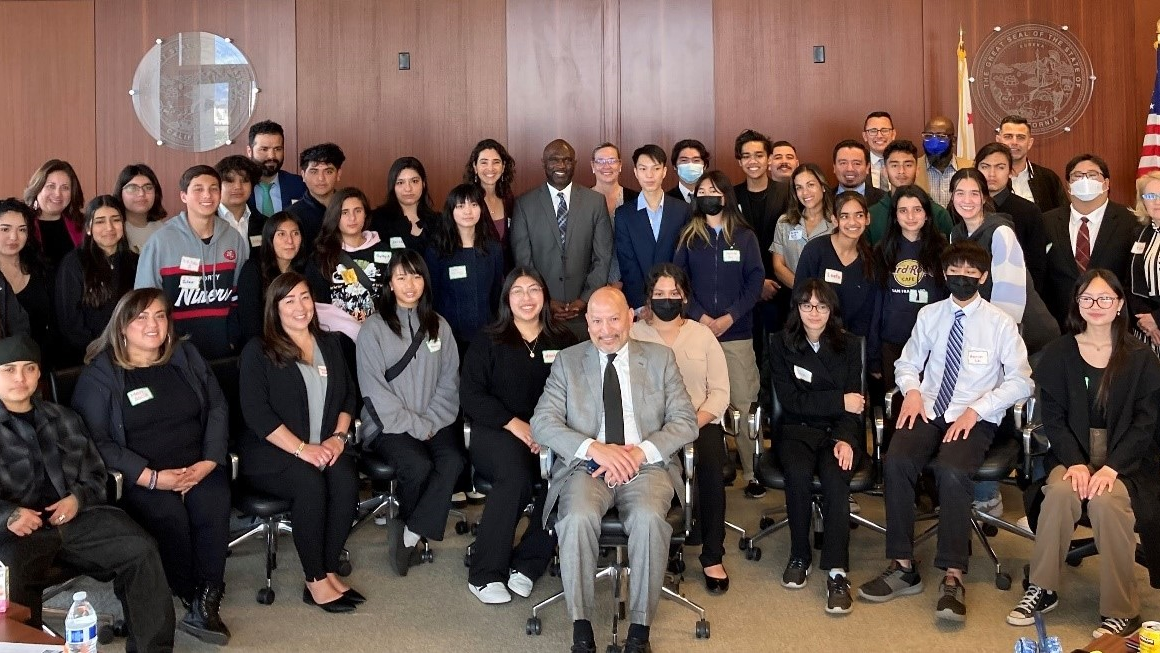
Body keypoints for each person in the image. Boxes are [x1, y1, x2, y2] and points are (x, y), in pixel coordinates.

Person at [857, 241, 1032, 623]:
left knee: (952, 471)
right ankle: (903, 565)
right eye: (956, 271)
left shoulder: (1000, 323)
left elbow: (1022, 381)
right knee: (898, 461)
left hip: (975, 415)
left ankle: (953, 577)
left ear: (984, 277)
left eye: (972, 272)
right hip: (931, 407)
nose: (963, 278)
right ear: (944, 274)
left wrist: (978, 408)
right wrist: (913, 392)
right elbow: (907, 362)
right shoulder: (930, 315)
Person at [531, 286, 697, 653]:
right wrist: (596, 449)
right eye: (597, 320)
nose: (606, 329)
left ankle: (640, 630)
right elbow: (542, 422)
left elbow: (686, 422)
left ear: (631, 318)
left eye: (614, 318)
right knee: (575, 518)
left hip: (647, 466)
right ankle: (581, 626)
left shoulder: (660, 358)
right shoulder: (568, 361)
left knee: (650, 520)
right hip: (587, 466)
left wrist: (638, 454)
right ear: (586, 322)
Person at [72, 289, 232, 644]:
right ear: (122, 326)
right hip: (139, 477)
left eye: (160, 316)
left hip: (197, 466)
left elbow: (218, 407)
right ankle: (184, 593)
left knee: (213, 502)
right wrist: (151, 477)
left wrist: (208, 461)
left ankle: (206, 599)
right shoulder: (102, 374)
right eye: (141, 317)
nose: (153, 325)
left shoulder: (185, 355)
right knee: (169, 516)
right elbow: (96, 440)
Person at [1008, 269, 1160, 638]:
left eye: (1105, 298)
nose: (1096, 306)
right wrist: (1076, 462)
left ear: (1120, 304)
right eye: (1087, 298)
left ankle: (1122, 610)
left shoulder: (1141, 358)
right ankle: (1042, 588)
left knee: (1108, 503)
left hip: (1127, 461)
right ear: (1077, 303)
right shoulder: (1060, 352)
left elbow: (1146, 423)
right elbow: (1054, 419)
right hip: (1072, 453)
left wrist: (1111, 468)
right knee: (1060, 492)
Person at [0, 335, 175, 652]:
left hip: (76, 519)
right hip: (17, 532)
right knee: (12, 579)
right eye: (8, 370)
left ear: (39, 374)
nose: (20, 378)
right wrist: (8, 515)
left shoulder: (63, 418)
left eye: (28, 369)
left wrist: (76, 498)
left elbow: (96, 474)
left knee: (141, 548)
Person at [238, 272, 363, 613]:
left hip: (324, 445)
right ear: (274, 308)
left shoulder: (331, 343)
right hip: (271, 452)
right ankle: (314, 579)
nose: (299, 306)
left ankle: (327, 567)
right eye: (289, 300)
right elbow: (256, 414)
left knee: (346, 479)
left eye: (305, 297)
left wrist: (338, 439)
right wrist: (302, 449)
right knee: (310, 484)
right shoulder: (259, 351)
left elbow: (349, 396)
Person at [460, 267, 578, 604]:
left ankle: (528, 563)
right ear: (506, 299)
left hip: (552, 434)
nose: (526, 299)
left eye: (533, 290)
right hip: (496, 431)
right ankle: (484, 573)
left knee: (566, 477)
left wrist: (551, 432)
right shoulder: (489, 339)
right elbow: (471, 395)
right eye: (518, 291)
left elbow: (578, 393)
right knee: (517, 475)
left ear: (544, 295)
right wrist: (517, 425)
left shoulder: (564, 340)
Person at [356, 250, 465, 577]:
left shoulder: (439, 326)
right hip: (388, 425)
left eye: (416, 275)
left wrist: (430, 421)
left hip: (435, 420)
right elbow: (373, 390)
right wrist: (416, 425)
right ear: (389, 283)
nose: (409, 284)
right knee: (418, 465)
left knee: (453, 460)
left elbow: (450, 380)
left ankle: (409, 532)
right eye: (401, 276)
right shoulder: (373, 328)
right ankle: (410, 527)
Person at [630, 264, 730, 594]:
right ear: (648, 297)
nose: (667, 299)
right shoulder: (633, 334)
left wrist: (691, 423)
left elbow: (720, 391)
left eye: (674, 293)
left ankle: (712, 555)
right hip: (650, 429)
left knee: (711, 471)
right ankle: (668, 547)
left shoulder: (702, 335)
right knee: (656, 475)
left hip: (700, 423)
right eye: (659, 294)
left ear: (684, 296)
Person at [765, 279, 865, 614]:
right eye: (806, 305)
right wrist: (839, 400)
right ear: (796, 308)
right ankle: (799, 554)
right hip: (795, 430)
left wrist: (848, 439)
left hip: (838, 432)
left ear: (831, 310)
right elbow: (791, 402)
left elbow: (857, 406)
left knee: (837, 480)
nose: (814, 313)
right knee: (797, 474)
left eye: (821, 306)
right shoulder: (780, 343)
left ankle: (837, 571)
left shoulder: (850, 345)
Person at [674, 170, 764, 499]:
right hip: (696, 332)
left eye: (714, 190)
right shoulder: (688, 235)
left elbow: (755, 281)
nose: (709, 196)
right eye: (703, 191)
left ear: (726, 195)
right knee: (700, 402)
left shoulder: (744, 236)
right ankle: (709, 467)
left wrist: (730, 317)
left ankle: (753, 470)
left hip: (736, 333)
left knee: (741, 400)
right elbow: (678, 281)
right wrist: (699, 316)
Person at [134, 165, 250, 360]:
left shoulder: (233, 238)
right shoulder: (160, 241)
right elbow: (143, 302)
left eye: (214, 188)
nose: (207, 195)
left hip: (223, 352)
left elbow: (239, 296)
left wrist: (233, 337)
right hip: (175, 355)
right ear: (183, 196)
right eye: (198, 189)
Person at [510, 139, 612, 337]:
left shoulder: (595, 202)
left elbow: (603, 257)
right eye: (554, 160)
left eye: (567, 160)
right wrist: (545, 299)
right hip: (541, 314)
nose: (561, 166)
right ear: (543, 163)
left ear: (574, 163)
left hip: (585, 313)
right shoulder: (524, 204)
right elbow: (524, 261)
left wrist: (584, 299)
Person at [1042, 154, 1138, 329]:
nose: (1085, 180)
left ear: (1106, 183)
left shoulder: (1131, 221)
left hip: (1115, 325)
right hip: (1059, 326)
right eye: (1077, 176)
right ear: (1069, 186)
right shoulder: (1046, 222)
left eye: (1092, 175)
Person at [870, 186, 948, 388]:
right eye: (903, 210)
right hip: (892, 341)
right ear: (895, 216)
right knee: (895, 407)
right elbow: (876, 304)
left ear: (927, 215)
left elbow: (947, 300)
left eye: (917, 209)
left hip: (932, 344)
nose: (910, 216)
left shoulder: (942, 250)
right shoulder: (881, 250)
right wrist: (874, 354)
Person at [55, 195, 139, 363]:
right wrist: (98, 350)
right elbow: (69, 321)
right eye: (100, 221)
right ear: (88, 228)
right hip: (87, 356)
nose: (109, 227)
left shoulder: (135, 261)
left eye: (115, 220)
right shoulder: (73, 263)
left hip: (130, 352)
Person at [425, 183, 505, 353]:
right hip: (449, 336)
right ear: (451, 211)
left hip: (487, 335)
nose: (468, 211)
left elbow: (497, 293)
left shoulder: (493, 248)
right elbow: (433, 295)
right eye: (461, 206)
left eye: (474, 205)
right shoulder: (438, 251)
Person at [306, 187, 393, 343]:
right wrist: (355, 331)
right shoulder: (321, 256)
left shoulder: (385, 252)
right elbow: (318, 307)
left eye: (357, 211)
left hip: (380, 340)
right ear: (334, 216)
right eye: (345, 212)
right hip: (339, 342)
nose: (352, 218)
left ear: (365, 214)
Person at [733, 129, 790, 362]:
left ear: (768, 159)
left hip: (782, 287)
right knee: (749, 356)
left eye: (758, 155)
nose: (752, 161)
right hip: (744, 288)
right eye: (746, 156)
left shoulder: (787, 193)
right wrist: (756, 284)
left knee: (782, 352)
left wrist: (771, 280)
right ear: (739, 161)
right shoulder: (731, 196)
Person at [946, 168, 1027, 325]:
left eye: (974, 194)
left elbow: (1009, 293)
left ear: (984, 198)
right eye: (960, 193)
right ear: (952, 196)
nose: (967, 200)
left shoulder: (1001, 232)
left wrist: (996, 331)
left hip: (1015, 327)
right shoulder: (955, 234)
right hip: (979, 323)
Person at [615, 144, 691, 312]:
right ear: (635, 172)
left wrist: (674, 296)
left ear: (664, 171)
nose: (649, 175)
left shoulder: (682, 210)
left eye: (655, 168)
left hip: (675, 299)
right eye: (643, 169)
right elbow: (627, 265)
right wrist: (643, 304)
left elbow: (683, 258)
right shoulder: (624, 214)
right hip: (640, 304)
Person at [795, 192, 876, 340]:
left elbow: (867, 313)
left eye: (859, 215)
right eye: (844, 216)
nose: (853, 222)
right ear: (835, 220)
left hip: (852, 343)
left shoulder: (870, 260)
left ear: (867, 219)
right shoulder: (815, 250)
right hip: (814, 338)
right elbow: (799, 296)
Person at [975, 143, 1048, 296]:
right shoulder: (964, 207)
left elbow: (1037, 265)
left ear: (1010, 172)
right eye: (985, 166)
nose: (992, 174)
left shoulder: (1028, 211)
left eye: (1000, 167)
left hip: (1016, 295)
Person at [0, 199, 56, 367]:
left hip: (44, 364)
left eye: (22, 229)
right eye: (5, 229)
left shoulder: (42, 269)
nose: (13, 237)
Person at [236, 212, 306, 344]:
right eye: (281, 234)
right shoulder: (253, 270)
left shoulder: (306, 270)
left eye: (295, 233)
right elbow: (250, 326)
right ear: (269, 238)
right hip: (267, 349)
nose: (290, 241)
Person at [867, 140, 953, 244]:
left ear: (917, 170)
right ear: (884, 171)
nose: (901, 171)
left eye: (908, 165)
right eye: (894, 165)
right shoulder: (872, 215)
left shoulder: (938, 214)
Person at [771, 164, 836, 291]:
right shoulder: (785, 222)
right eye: (799, 188)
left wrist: (819, 296)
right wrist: (803, 292)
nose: (805, 192)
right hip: (794, 296)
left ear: (822, 186)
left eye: (810, 185)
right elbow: (778, 265)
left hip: (831, 298)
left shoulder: (836, 222)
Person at [996, 114, 1067, 212]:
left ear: (1029, 143)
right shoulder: (987, 178)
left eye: (1020, 137)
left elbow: (1062, 217)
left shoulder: (1048, 179)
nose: (1014, 142)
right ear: (998, 140)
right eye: (1008, 137)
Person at [22, 159, 84, 267]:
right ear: (37, 189)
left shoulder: (84, 225)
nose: (57, 194)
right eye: (51, 186)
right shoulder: (23, 224)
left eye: (65, 188)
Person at [371, 156, 439, 253]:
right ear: (392, 186)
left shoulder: (438, 222)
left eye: (414, 181)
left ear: (423, 184)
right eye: (400, 182)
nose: (408, 188)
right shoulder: (376, 220)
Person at [286, 143, 346, 248]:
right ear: (303, 176)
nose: (321, 178)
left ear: (338, 174)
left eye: (328, 171)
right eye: (314, 172)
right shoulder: (291, 216)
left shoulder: (350, 210)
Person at [246, 119, 308, 218]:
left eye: (277, 149)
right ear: (249, 151)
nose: (272, 156)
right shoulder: (238, 187)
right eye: (264, 149)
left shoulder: (300, 185)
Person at [464, 138, 517, 245]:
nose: (490, 168)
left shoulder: (508, 198)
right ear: (475, 167)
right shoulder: (466, 200)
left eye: (496, 162)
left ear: (503, 167)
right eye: (484, 162)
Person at [1129, 171, 1160, 349]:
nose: (1157, 201)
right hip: (1144, 329)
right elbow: (1131, 283)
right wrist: (1145, 320)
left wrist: (1156, 319)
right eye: (1151, 195)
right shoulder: (1140, 234)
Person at [113, 163, 167, 253]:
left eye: (148, 187)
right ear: (120, 193)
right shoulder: (113, 230)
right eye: (133, 188)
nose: (141, 193)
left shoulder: (164, 230)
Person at [215, 154, 264, 248]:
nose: (238, 187)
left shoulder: (264, 223)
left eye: (245, 181)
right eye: (230, 181)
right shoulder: (205, 221)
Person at [921, 116, 965, 208]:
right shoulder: (912, 168)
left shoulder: (970, 167)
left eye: (940, 136)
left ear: (953, 141)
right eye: (928, 136)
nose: (934, 143)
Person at [832, 140, 886, 206]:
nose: (850, 169)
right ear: (834, 167)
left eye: (856, 163)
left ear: (867, 167)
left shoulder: (885, 200)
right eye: (843, 163)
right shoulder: (824, 198)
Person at [591, 143, 638, 218]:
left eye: (612, 161)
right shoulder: (582, 199)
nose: (606, 166)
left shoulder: (636, 199)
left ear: (620, 165)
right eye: (600, 161)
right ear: (593, 166)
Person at [668, 139, 710, 204]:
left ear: (704, 166)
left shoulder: (713, 197)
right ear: (674, 166)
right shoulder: (666, 199)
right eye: (684, 160)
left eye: (696, 160)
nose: (690, 165)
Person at [864, 111, 897, 191]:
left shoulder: (905, 164)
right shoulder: (859, 165)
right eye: (873, 131)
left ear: (893, 134)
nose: (879, 136)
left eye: (884, 130)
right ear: (865, 136)